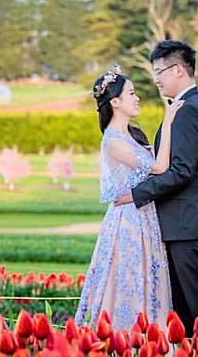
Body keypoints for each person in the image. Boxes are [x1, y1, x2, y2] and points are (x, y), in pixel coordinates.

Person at [114, 40, 198, 336]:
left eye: (159, 71)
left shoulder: (188, 110)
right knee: (185, 314)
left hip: (190, 226)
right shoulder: (184, 107)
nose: (156, 79)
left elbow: (181, 171)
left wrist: (138, 194)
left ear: (178, 70)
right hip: (182, 226)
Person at [74, 65, 184, 331]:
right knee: (127, 279)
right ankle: (124, 342)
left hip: (145, 217)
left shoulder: (132, 136)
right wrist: (168, 121)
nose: (137, 98)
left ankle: (149, 340)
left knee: (148, 277)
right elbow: (159, 167)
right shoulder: (113, 141)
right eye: (131, 93)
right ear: (115, 102)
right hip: (128, 222)